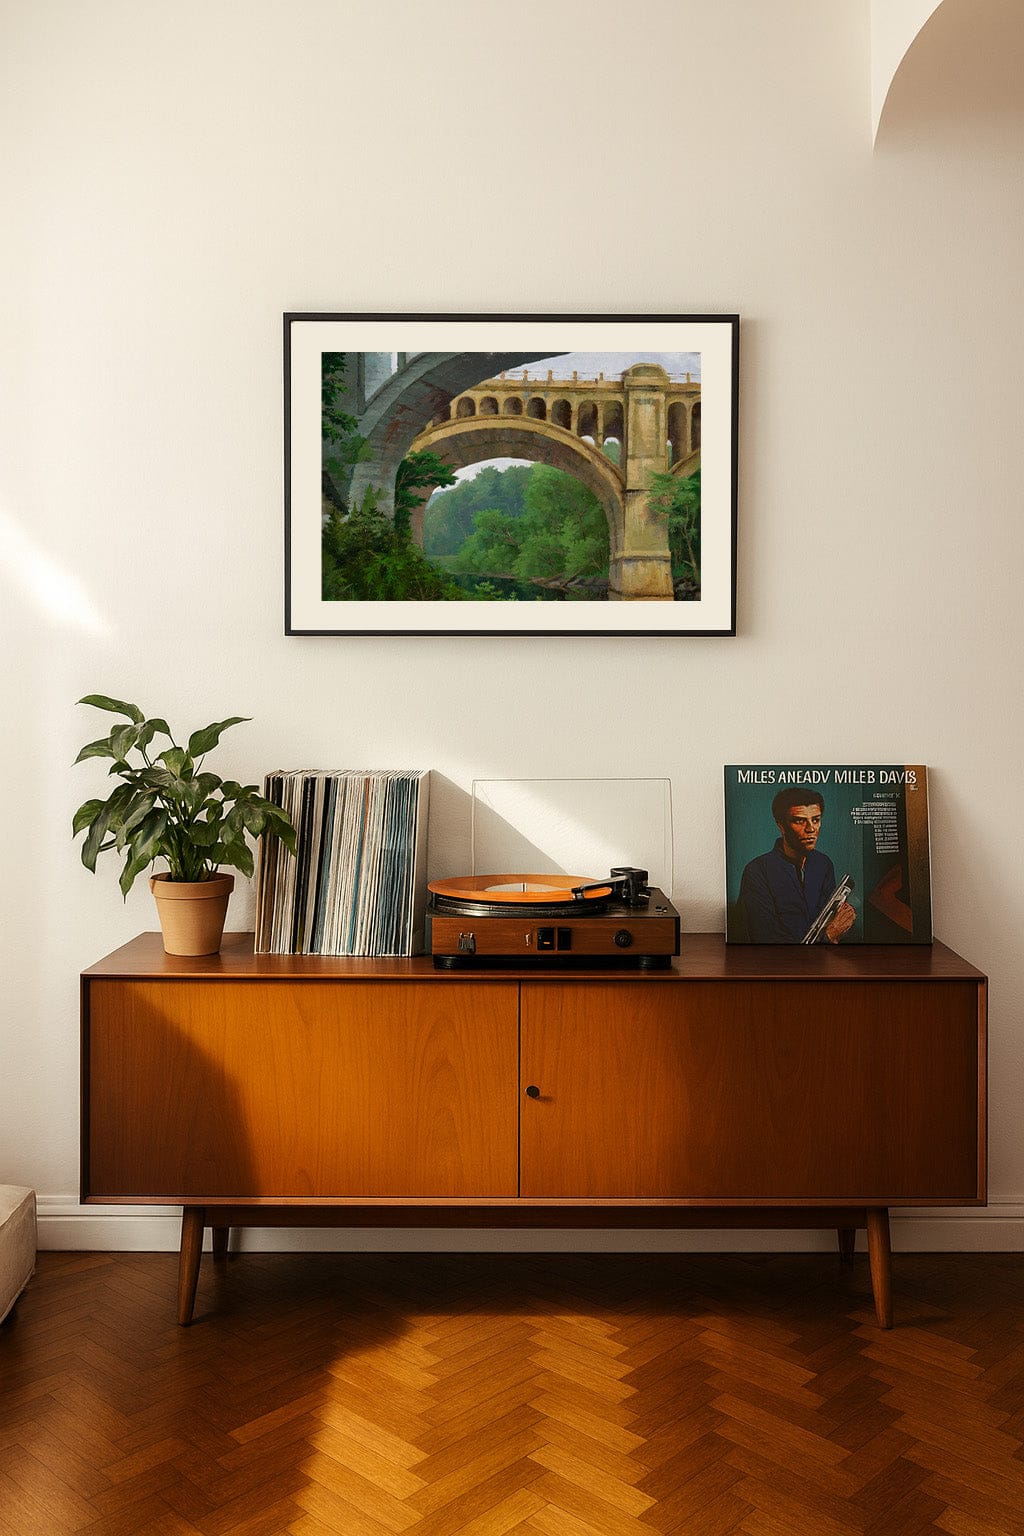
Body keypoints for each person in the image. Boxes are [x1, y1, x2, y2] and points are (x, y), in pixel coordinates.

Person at [738, 787, 856, 943]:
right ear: (781, 825)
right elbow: (765, 940)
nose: (811, 829)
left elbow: (829, 920)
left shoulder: (823, 864)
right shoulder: (756, 871)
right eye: (799, 821)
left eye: (816, 820)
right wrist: (829, 936)